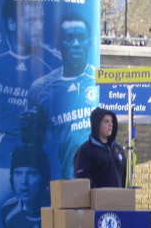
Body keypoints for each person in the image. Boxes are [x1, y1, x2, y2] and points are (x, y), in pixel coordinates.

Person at [21, 13, 98, 180]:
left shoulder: (102, 83)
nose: (76, 44)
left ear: (89, 42)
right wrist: (30, 129)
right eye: (69, 38)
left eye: (81, 38)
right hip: (60, 180)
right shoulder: (40, 89)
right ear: (58, 44)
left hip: (96, 180)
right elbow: (33, 142)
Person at [0, 0, 61, 168]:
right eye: (31, 21)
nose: (39, 28)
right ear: (12, 24)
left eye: (41, 20)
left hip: (36, 151)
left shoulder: (53, 61)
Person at [1, 145, 50, 228]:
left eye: (32, 173)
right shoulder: (8, 210)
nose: (24, 182)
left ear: (43, 178)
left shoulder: (56, 209)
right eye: (18, 173)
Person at [74, 108, 126, 188]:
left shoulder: (118, 149)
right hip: (97, 199)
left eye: (112, 121)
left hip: (118, 198)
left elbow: (123, 177)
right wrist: (99, 195)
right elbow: (83, 179)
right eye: (106, 122)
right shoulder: (85, 150)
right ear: (96, 124)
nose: (111, 124)